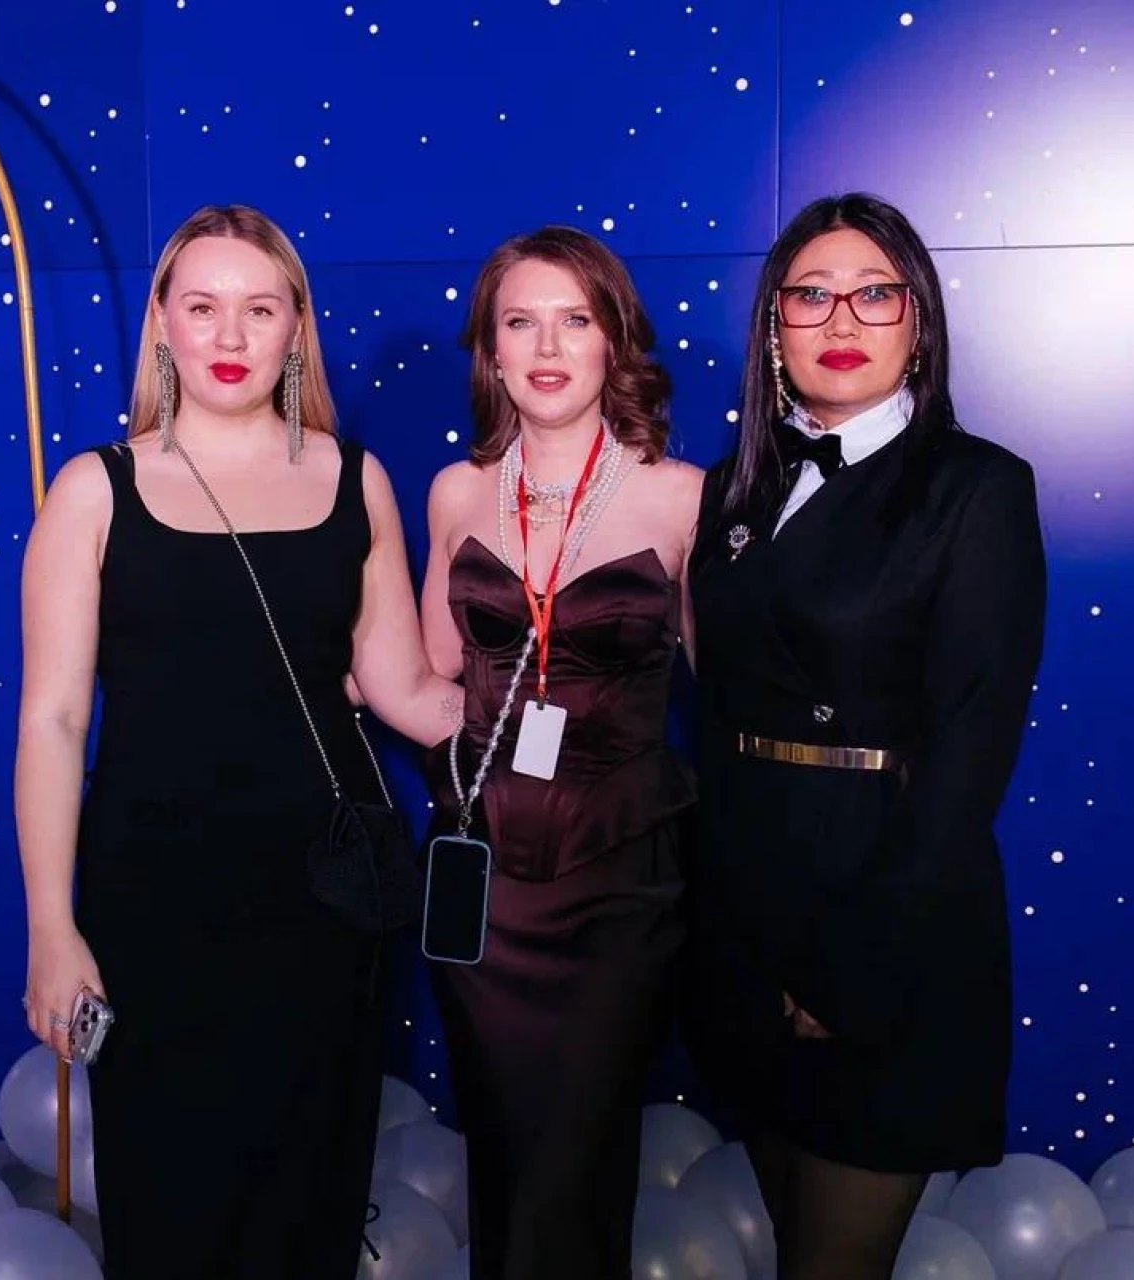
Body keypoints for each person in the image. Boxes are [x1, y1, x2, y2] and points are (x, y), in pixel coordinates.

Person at [14, 204, 462, 1279]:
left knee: (308, 1197)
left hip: (326, 903)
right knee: (169, 1205)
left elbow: (405, 689)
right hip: (153, 904)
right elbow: (52, 721)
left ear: (295, 328)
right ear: (162, 324)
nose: (228, 335)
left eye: (259, 309)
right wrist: (50, 927)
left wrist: (575, 696)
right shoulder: (94, 489)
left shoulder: (355, 479)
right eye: (202, 306)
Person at [684, 192, 1047, 1279]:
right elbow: (715, 714)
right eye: (810, 294)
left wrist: (850, 967)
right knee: (788, 1240)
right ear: (773, 328)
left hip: (888, 928)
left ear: (916, 322)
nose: (841, 318)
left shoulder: (977, 487)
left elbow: (970, 752)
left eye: (874, 292)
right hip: (747, 923)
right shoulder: (732, 488)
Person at [419, 225, 704, 1280]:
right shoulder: (457, 492)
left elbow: (729, 693)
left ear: (613, 340)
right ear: (490, 351)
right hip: (483, 883)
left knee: (578, 1162)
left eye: (574, 319)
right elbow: (432, 678)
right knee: (501, 1150)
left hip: (618, 882)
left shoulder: (682, 496)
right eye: (520, 322)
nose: (546, 346)